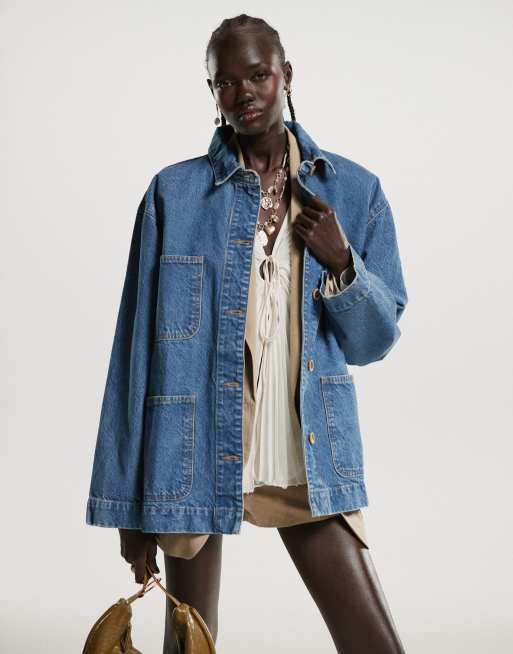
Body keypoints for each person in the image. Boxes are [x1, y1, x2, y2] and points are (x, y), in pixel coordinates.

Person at [86, 13, 408, 654]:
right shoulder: (173, 195)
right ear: (212, 93)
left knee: (375, 643)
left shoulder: (353, 191)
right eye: (226, 82)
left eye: (258, 75)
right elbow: (132, 357)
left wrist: (343, 263)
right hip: (193, 456)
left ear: (285, 75)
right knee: (190, 646)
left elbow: (374, 342)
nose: (244, 92)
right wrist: (128, 509)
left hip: (306, 455)